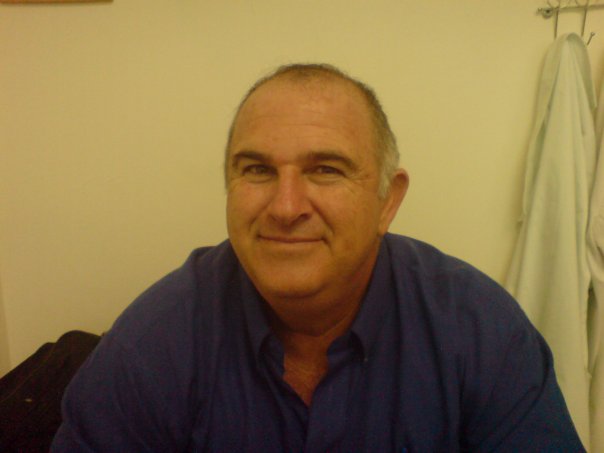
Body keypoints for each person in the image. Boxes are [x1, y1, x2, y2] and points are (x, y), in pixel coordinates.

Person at [51, 63, 584, 452]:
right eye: (257, 170)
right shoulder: (153, 342)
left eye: (326, 170)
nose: (285, 207)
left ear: (388, 200)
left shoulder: (481, 332)